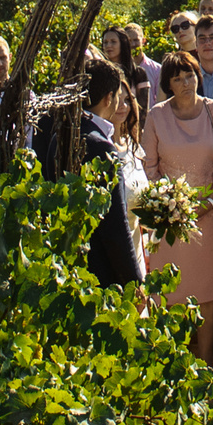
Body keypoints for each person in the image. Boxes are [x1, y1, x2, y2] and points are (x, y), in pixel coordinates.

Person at [143, 51, 213, 359]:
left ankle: (206, 359)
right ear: (168, 84)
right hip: (172, 218)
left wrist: (211, 200)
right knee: (169, 289)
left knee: (207, 293)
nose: (187, 83)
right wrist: (171, 204)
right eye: (178, 78)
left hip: (212, 215)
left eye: (191, 75)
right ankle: (173, 360)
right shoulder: (156, 115)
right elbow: (149, 165)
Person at [66, 58, 148, 288]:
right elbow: (114, 223)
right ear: (108, 98)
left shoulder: (63, 136)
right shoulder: (101, 147)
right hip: (101, 270)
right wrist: (134, 280)